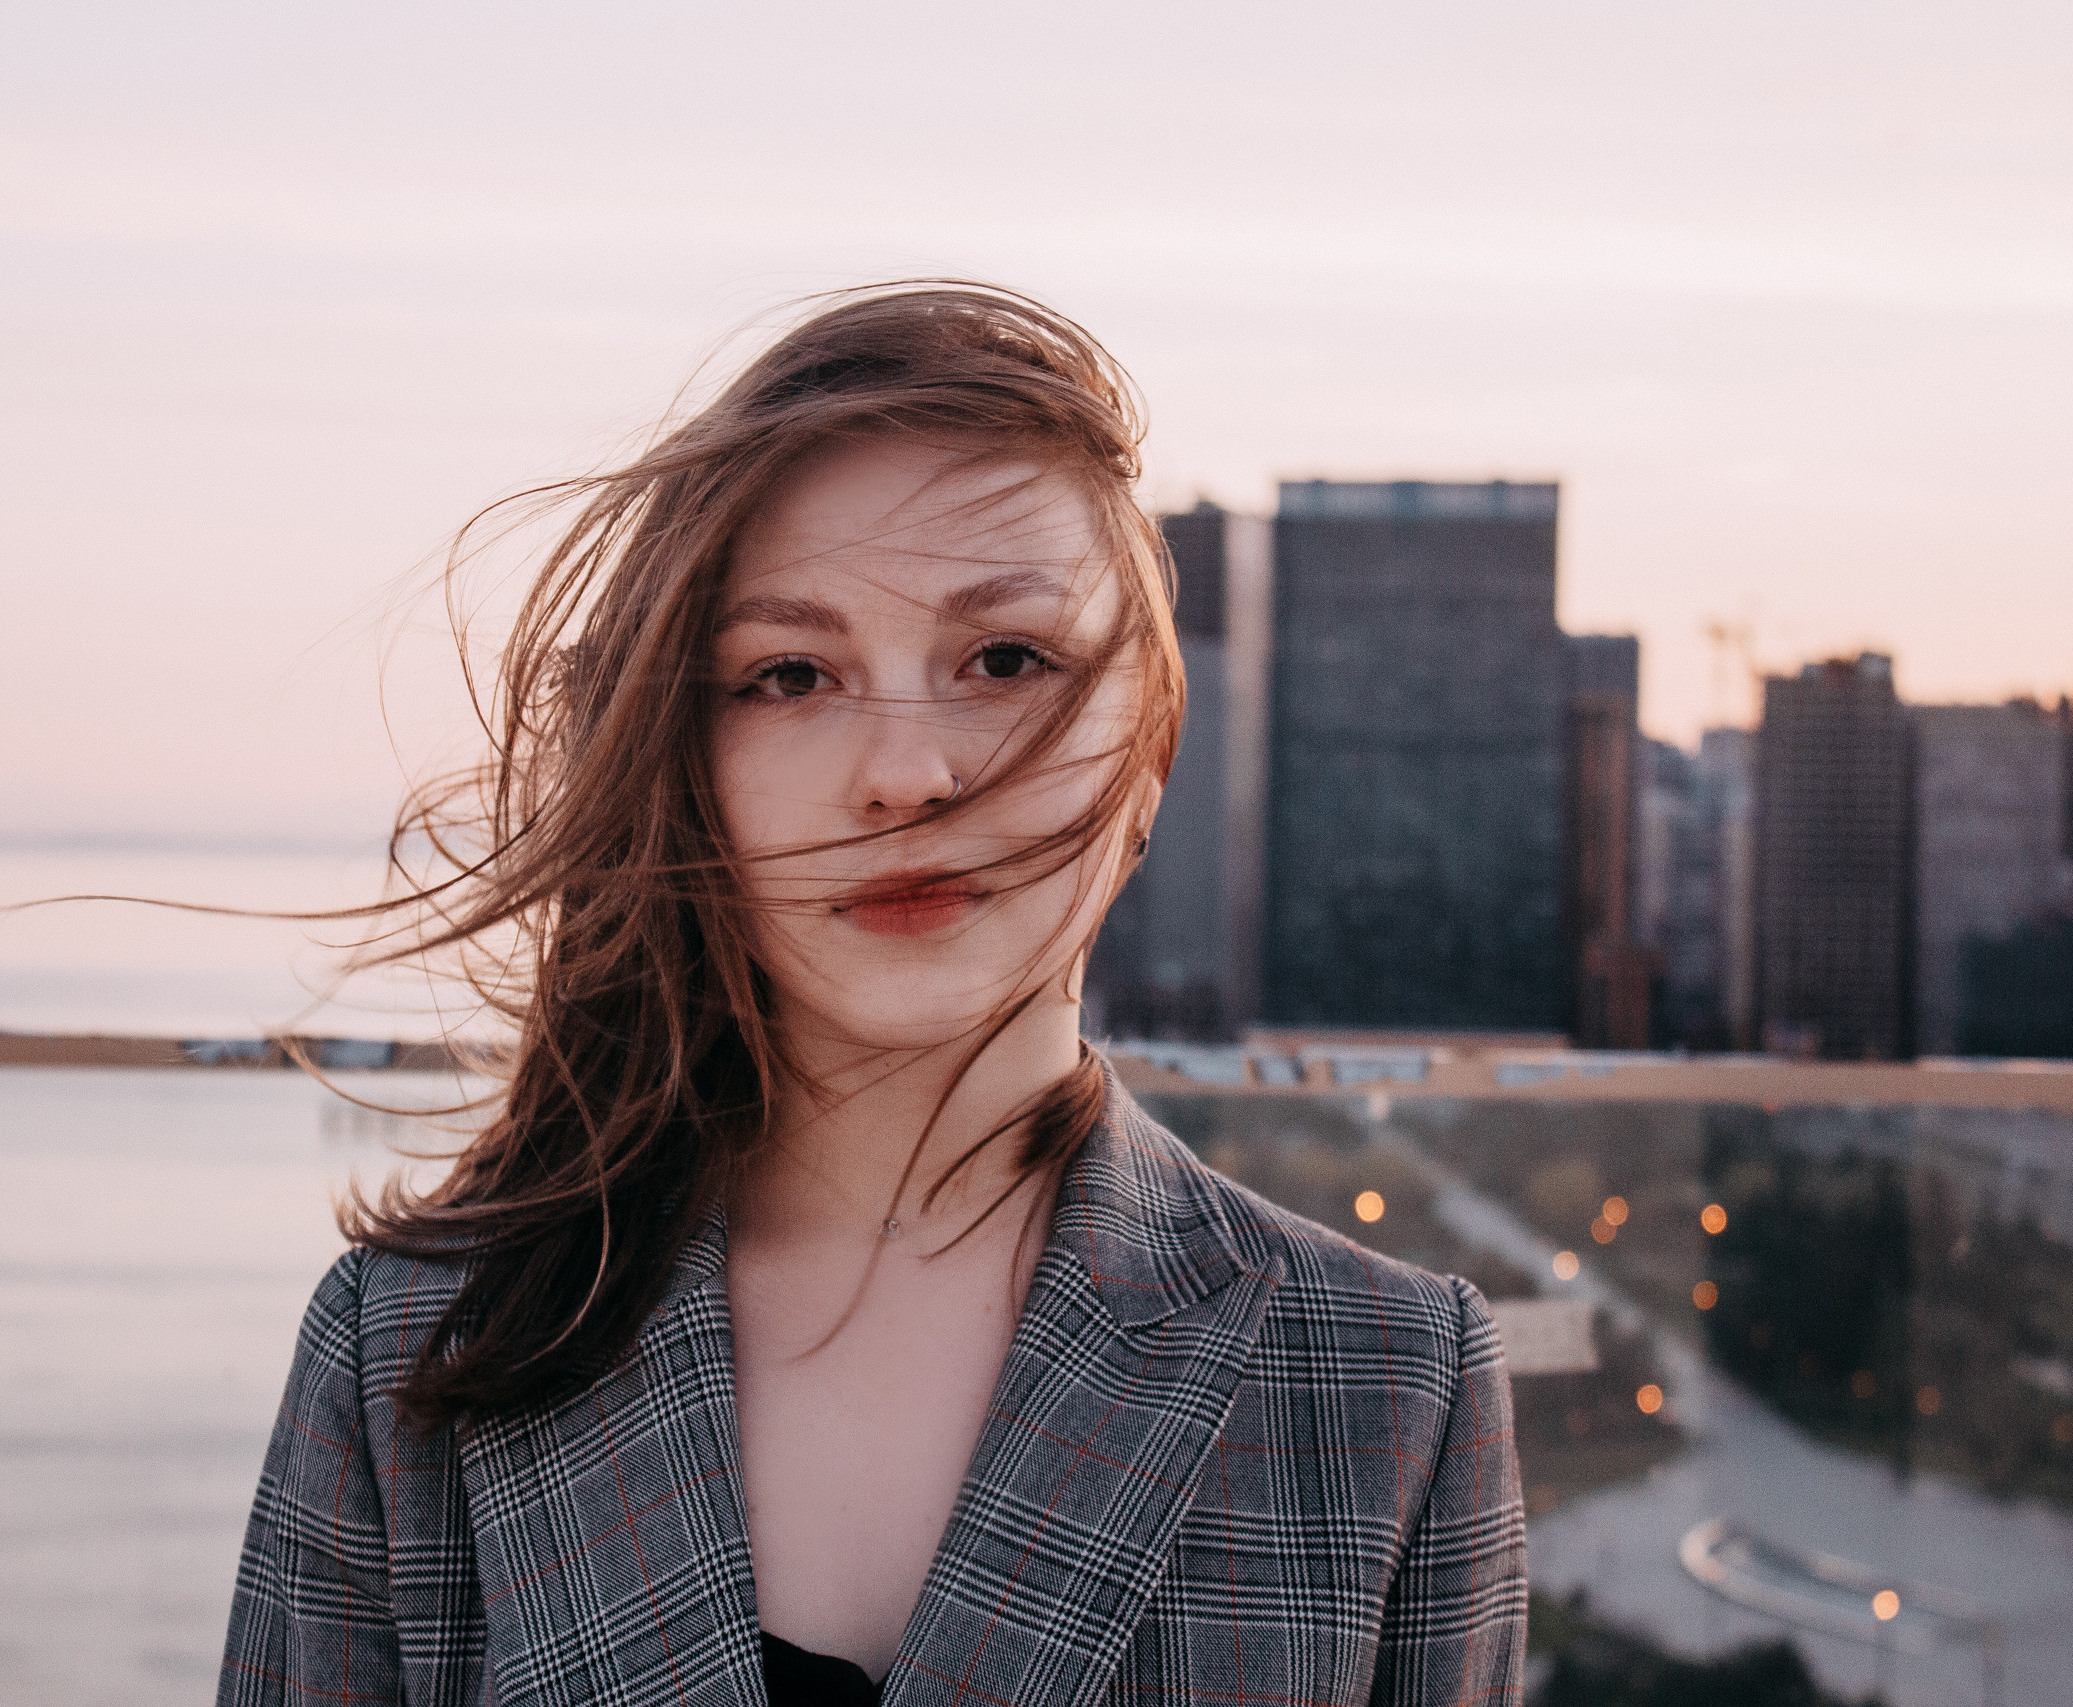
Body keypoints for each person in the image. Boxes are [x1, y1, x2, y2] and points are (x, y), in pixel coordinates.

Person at [218, 284, 1526, 1707]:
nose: (909, 775)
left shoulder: (1392, 1381)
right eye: (791, 675)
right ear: (687, 771)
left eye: (1008, 661)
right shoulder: (407, 1353)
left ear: (1149, 756)